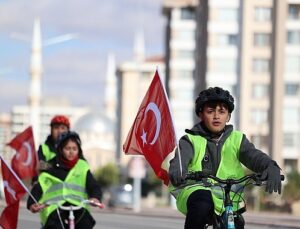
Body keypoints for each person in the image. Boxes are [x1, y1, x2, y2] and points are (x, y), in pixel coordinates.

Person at [168, 87, 282, 229]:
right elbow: (180, 161)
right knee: (202, 202)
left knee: (237, 223)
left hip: (227, 197)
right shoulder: (190, 140)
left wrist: (270, 166)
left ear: (228, 116)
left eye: (222, 112)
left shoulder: (237, 139)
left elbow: (254, 156)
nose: (216, 116)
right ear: (201, 114)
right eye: (210, 111)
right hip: (194, 191)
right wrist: (177, 171)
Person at [27, 131, 102, 229]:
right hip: (55, 208)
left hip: (77, 206)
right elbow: (38, 188)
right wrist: (32, 203)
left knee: (86, 223)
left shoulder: (82, 166)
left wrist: (95, 197)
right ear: (60, 150)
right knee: (55, 226)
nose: (71, 152)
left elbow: (93, 186)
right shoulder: (50, 167)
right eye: (67, 148)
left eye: (74, 149)